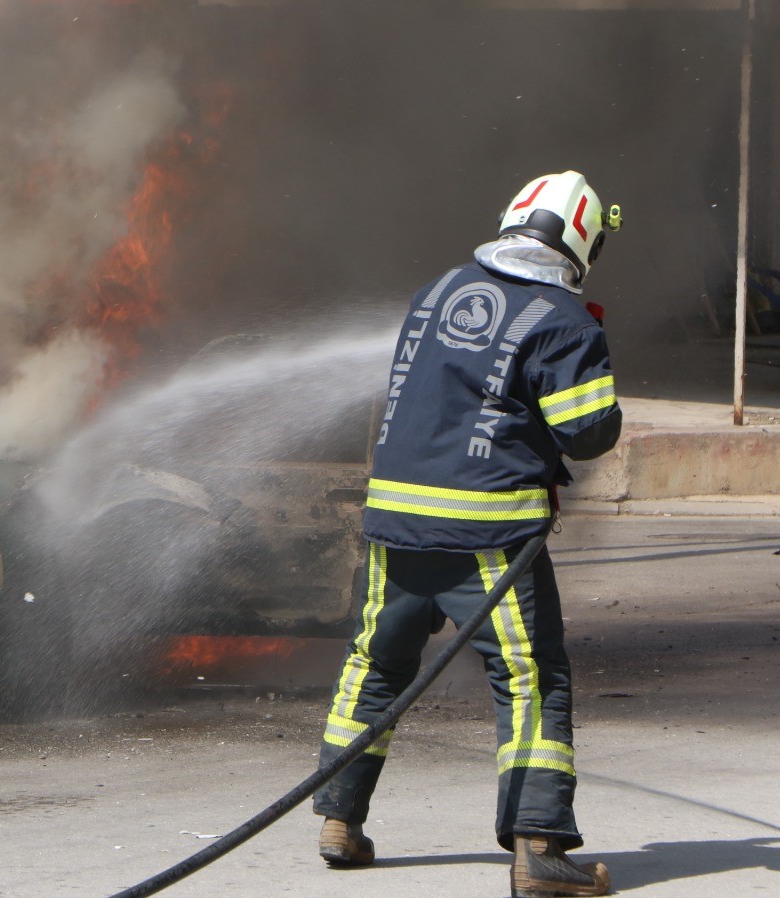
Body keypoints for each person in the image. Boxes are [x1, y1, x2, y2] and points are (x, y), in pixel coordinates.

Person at [314, 171, 622, 898]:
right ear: (581, 240)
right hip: (486, 536)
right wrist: (592, 357)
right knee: (530, 682)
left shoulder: (441, 288)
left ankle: (339, 820)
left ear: (513, 218)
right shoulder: (563, 319)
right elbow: (587, 433)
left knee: (375, 663)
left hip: (394, 524)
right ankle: (539, 851)